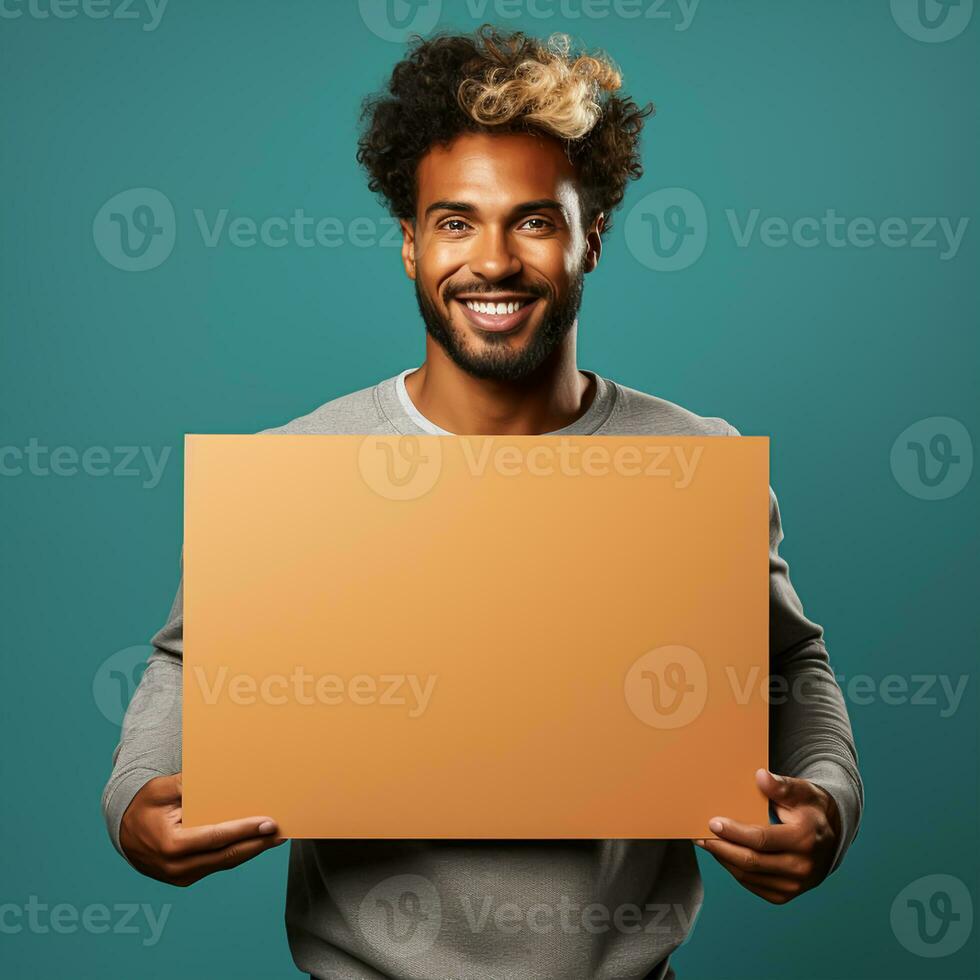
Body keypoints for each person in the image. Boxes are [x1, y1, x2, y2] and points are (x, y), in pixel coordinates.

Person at [103, 27, 863, 980]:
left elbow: (789, 657)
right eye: (456, 222)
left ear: (594, 235)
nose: (493, 261)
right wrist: (133, 795)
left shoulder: (691, 462)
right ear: (411, 243)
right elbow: (192, 657)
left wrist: (829, 804)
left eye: (535, 221)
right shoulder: (301, 468)